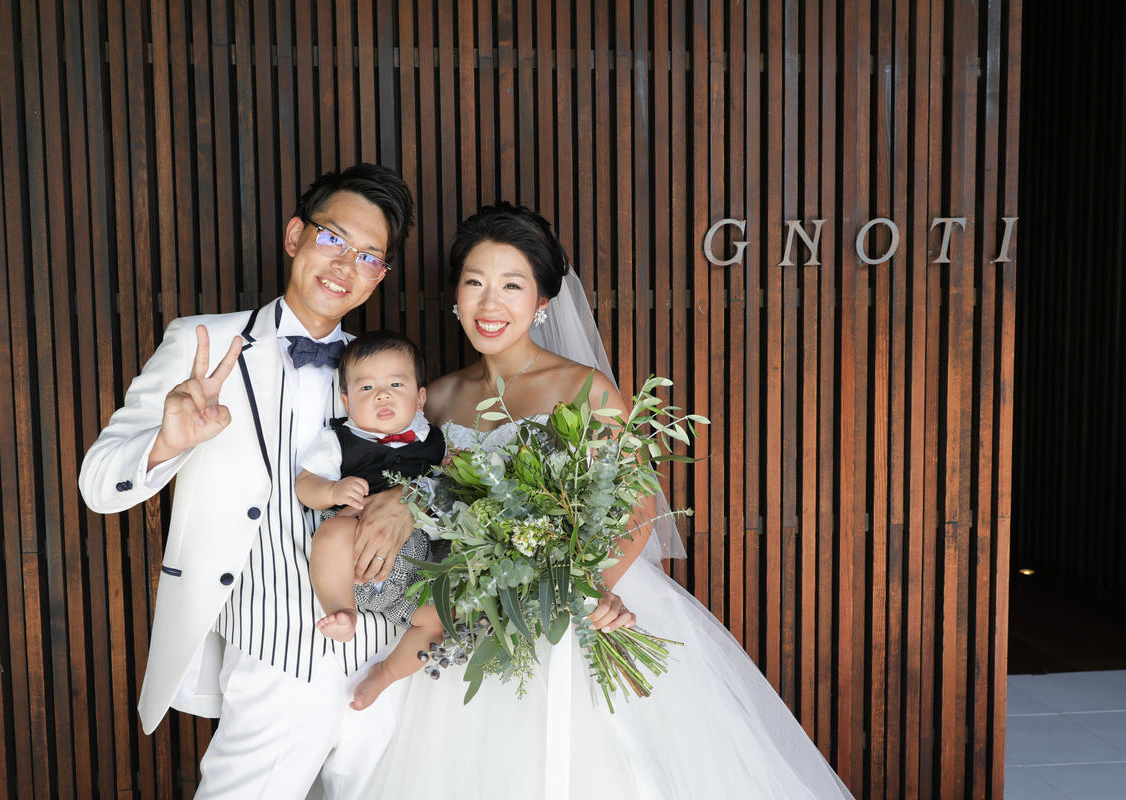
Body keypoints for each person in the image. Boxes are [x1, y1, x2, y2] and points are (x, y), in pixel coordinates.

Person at [363, 202, 856, 799]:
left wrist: (589, 589)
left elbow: (637, 505)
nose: (490, 304)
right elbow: (424, 496)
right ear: (455, 296)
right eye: (475, 283)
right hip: (474, 609)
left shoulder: (584, 387)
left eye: (512, 285)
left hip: (581, 598)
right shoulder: (435, 398)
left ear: (542, 301)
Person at [78, 163, 421, 798]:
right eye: (333, 238)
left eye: (369, 256)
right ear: (294, 235)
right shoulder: (203, 342)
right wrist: (170, 441)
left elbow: (438, 469)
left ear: (380, 275)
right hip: (274, 645)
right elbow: (98, 484)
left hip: (387, 647)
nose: (345, 264)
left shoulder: (382, 368)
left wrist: (409, 498)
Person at [295, 330, 447, 710]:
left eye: (396, 384)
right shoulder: (339, 440)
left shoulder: (434, 440)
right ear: (347, 401)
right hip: (350, 561)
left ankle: (386, 673)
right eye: (367, 388)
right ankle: (342, 611)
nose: (382, 395)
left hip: (411, 576)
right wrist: (332, 491)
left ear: (420, 398)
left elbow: (449, 489)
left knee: (438, 619)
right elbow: (305, 485)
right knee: (332, 531)